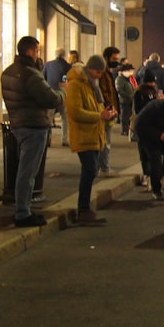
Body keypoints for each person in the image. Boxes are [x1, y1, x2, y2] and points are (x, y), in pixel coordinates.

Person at [1, 36, 63, 228]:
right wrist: (63, 92)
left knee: (24, 170)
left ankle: (23, 209)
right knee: (28, 172)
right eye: (37, 51)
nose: (38, 55)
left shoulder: (8, 72)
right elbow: (50, 98)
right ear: (30, 52)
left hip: (18, 123)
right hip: (33, 125)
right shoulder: (30, 74)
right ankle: (22, 212)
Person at [65, 54, 114, 225]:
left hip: (94, 133)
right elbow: (75, 112)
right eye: (98, 72)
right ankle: (83, 209)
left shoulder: (92, 85)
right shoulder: (76, 85)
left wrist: (106, 113)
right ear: (90, 69)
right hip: (83, 134)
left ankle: (85, 209)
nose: (100, 76)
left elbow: (96, 106)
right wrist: (99, 115)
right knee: (90, 170)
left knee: (91, 170)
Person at [96, 46, 123, 178]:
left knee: (105, 140)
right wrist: (111, 107)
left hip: (110, 110)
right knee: (105, 141)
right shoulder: (102, 73)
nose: (116, 61)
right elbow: (104, 92)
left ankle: (101, 166)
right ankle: (104, 168)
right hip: (106, 111)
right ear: (106, 58)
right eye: (114, 59)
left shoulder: (108, 72)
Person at [43, 48, 72, 147]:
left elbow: (43, 78)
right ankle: (64, 139)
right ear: (64, 55)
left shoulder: (48, 65)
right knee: (65, 117)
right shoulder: (68, 66)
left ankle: (48, 139)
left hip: (50, 94)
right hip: (63, 94)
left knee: (49, 118)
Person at [115, 62, 138, 136]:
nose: (131, 72)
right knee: (124, 115)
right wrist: (128, 95)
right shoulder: (120, 79)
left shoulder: (128, 79)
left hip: (129, 100)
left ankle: (127, 129)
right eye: (129, 71)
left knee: (128, 115)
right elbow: (119, 90)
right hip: (124, 100)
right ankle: (124, 130)